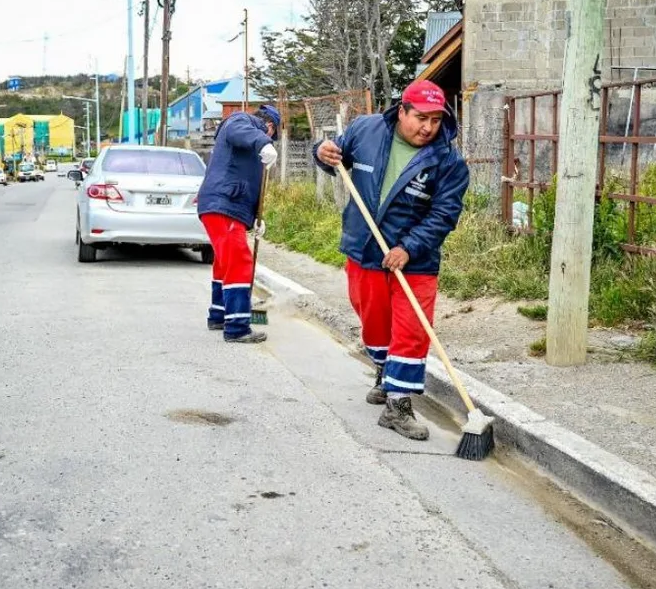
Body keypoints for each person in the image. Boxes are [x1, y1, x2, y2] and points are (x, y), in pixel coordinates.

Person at [313, 80, 469, 441]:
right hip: (365, 248)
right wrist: (322, 154)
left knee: (412, 329)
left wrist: (409, 248)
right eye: (420, 118)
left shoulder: (448, 161)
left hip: (416, 259)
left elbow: (444, 214)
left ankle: (398, 406)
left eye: (435, 120)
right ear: (402, 111)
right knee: (375, 324)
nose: (427, 127)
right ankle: (385, 373)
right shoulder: (365, 130)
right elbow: (334, 159)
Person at [197, 104, 281, 344]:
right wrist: (262, 141)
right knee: (239, 260)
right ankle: (237, 326)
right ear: (270, 126)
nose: (270, 141)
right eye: (272, 136)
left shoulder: (249, 144)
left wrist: (256, 217)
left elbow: (251, 183)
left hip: (226, 205)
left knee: (225, 263)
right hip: (224, 204)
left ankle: (219, 314)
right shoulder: (243, 121)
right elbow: (236, 128)